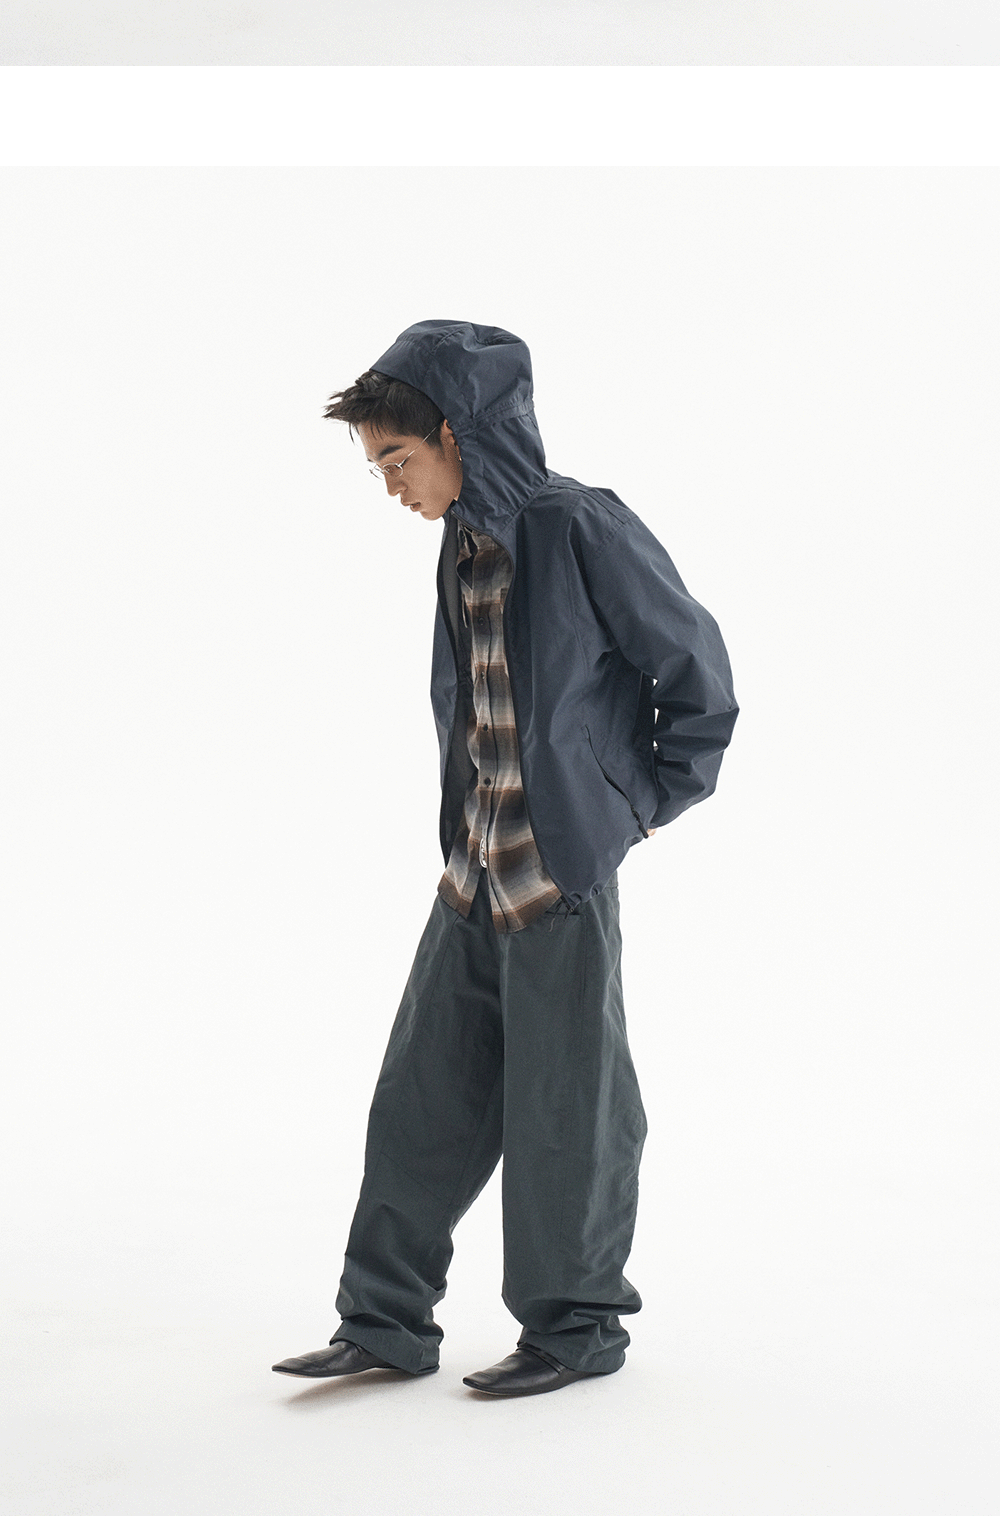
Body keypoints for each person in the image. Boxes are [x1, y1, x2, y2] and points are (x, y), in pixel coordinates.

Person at [276, 318, 737, 1400]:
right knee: (420, 1101)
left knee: (566, 1112)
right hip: (472, 870)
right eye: (378, 468)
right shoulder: (463, 542)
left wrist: (635, 806)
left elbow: (699, 678)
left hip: (557, 876)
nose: (391, 486)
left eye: (398, 459)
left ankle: (575, 1329)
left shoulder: (579, 523)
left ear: (456, 432)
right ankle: (384, 1321)